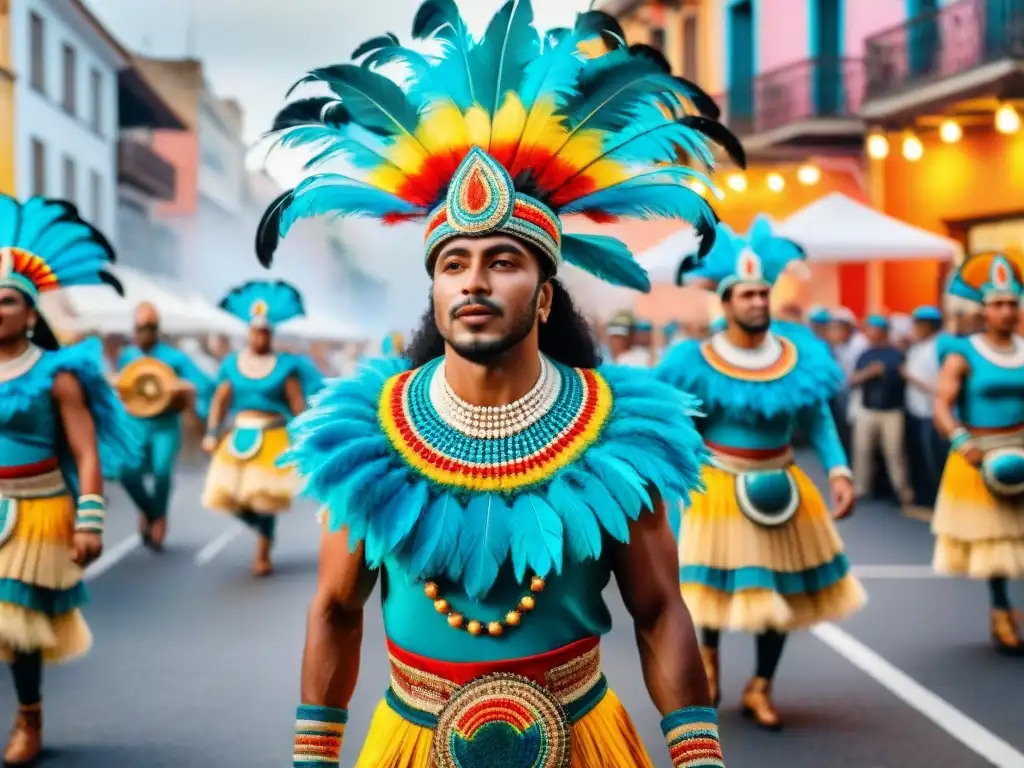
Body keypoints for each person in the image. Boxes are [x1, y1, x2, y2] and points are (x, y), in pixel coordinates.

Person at [260, 2, 744, 764]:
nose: (475, 281)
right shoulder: (367, 436)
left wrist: (697, 754)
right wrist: (313, 757)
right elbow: (333, 609)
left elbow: (658, 611)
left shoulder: (622, 433)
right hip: (411, 743)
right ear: (435, 292)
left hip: (583, 739)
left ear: (545, 296)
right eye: (454, 264)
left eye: (504, 262)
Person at [660, 215, 864, 730]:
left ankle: (761, 685)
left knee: (780, 591)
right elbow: (679, 427)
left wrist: (839, 470)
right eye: (745, 295)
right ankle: (708, 663)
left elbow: (817, 418)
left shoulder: (798, 356)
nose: (756, 302)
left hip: (784, 485)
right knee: (711, 589)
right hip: (716, 487)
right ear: (724, 303)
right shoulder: (695, 360)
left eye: (762, 294)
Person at [0, 195, 138, 765]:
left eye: (6, 301)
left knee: (15, 623)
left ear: (30, 313)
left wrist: (89, 521)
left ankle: (28, 719)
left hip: (37, 513)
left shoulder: (59, 374)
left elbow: (85, 454)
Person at [933, 251, 1024, 655]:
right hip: (981, 455)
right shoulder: (964, 351)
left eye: (1011, 304)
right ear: (984, 309)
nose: (1005, 311)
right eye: (997, 304)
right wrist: (960, 441)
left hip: (1021, 448)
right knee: (997, 541)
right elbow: (941, 405)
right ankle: (1001, 609)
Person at [202, 280, 309, 577]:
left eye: (264, 331)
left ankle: (263, 548)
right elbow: (220, 400)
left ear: (270, 334)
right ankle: (264, 532)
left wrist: (306, 437)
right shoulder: (232, 364)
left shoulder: (285, 366)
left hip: (274, 435)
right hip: (239, 434)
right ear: (248, 332)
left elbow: (297, 403)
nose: (259, 336)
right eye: (255, 331)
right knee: (231, 498)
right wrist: (211, 433)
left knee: (265, 498)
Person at [116, 302, 214, 551]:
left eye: (149, 327)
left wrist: (183, 390)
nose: (144, 332)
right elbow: (118, 387)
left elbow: (201, 384)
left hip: (165, 424)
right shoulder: (128, 356)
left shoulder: (175, 358)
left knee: (161, 472)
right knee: (127, 472)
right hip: (134, 423)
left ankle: (159, 519)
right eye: (140, 327)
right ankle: (149, 510)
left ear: (157, 329)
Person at [850, 314, 913, 506]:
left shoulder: (897, 354)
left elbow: (904, 379)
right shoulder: (864, 354)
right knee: (862, 450)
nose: (870, 333)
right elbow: (852, 381)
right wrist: (869, 373)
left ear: (883, 332)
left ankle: (902, 491)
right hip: (867, 410)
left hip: (892, 411)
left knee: (894, 452)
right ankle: (861, 489)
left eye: (874, 329)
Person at [902, 305, 945, 509]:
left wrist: (910, 377)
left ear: (928, 326)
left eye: (917, 325)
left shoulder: (940, 348)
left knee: (933, 462)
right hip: (915, 412)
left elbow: (941, 387)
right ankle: (924, 501)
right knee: (918, 458)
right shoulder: (918, 347)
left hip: (932, 414)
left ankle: (937, 504)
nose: (914, 329)